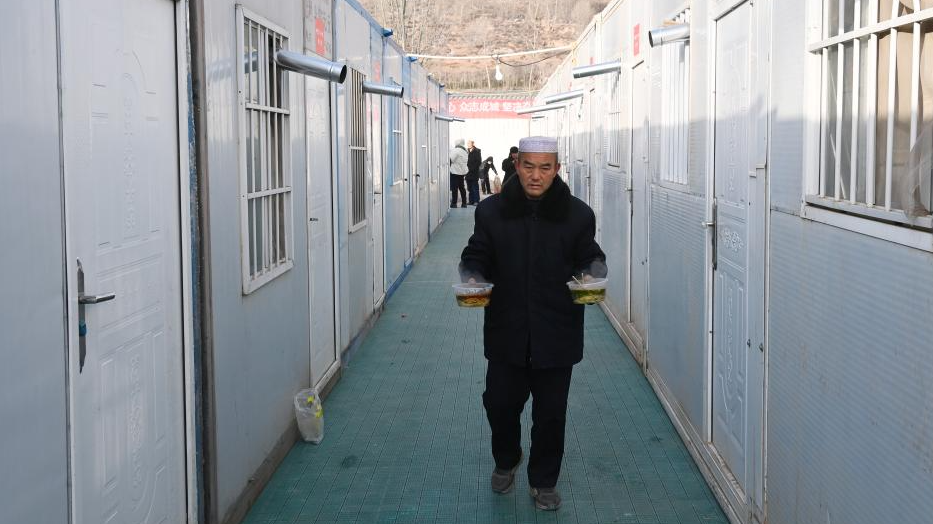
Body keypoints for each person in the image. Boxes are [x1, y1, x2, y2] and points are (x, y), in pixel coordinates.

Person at [459, 136, 606, 511]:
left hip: (557, 331)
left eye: (545, 167)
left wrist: (592, 272)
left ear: (557, 169)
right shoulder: (492, 212)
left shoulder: (578, 215)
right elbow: (477, 252)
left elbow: (590, 256)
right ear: (516, 164)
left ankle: (543, 481)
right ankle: (507, 459)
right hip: (507, 329)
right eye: (529, 166)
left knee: (551, 414)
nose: (536, 175)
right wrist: (473, 274)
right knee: (499, 404)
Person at [449, 138, 469, 208]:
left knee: (455, 188)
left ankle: (454, 203)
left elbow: (450, 159)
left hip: (455, 172)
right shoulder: (465, 151)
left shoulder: (456, 150)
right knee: (462, 188)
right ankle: (464, 203)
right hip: (462, 172)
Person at [466, 140, 483, 205]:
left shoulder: (477, 151)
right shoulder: (466, 151)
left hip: (474, 172)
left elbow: (479, 162)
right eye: (467, 143)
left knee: (475, 187)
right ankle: (471, 201)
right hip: (467, 172)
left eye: (469, 143)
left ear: (473, 144)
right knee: (469, 188)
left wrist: (472, 168)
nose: (468, 144)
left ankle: (476, 201)